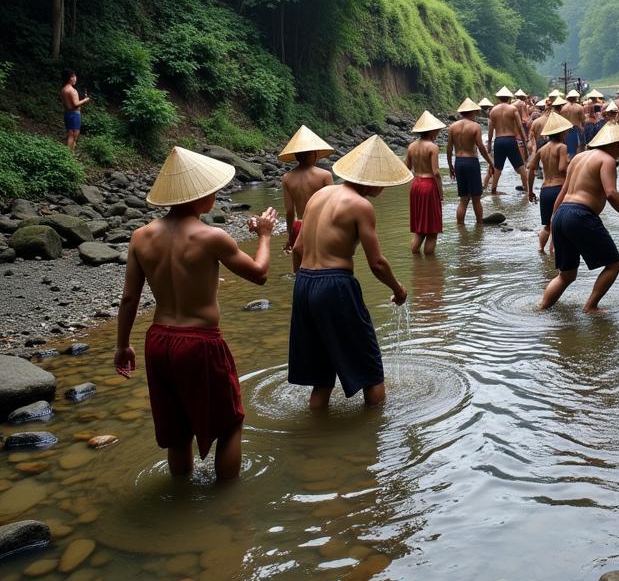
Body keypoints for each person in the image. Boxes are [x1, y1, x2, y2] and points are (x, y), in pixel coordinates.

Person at [114, 147, 277, 482]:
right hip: (199, 342)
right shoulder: (211, 236)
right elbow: (260, 274)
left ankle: (182, 498)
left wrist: (122, 345)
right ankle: (227, 502)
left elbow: (130, 298)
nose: (216, 195)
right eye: (213, 191)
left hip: (158, 341)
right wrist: (263, 236)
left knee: (177, 430)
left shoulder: (140, 237)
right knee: (230, 423)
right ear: (200, 195)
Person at [290, 135, 410, 410]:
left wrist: (305, 287)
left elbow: (297, 249)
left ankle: (313, 441)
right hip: (335, 286)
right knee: (371, 371)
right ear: (370, 180)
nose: (383, 186)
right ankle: (376, 436)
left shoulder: (319, 195)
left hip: (305, 283)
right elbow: (377, 263)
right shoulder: (360, 205)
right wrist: (398, 289)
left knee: (321, 377)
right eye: (381, 180)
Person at [538, 123, 619, 313]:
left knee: (566, 275)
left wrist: (554, 221)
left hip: (562, 213)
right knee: (614, 265)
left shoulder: (578, 158)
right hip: (581, 215)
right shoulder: (607, 160)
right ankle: (590, 306)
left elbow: (563, 192)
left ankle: (540, 309)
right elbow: (611, 193)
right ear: (616, 144)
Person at [279, 126, 335, 272]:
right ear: (315, 154)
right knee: (322, 267)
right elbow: (332, 207)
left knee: (299, 270)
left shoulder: (287, 178)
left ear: (295, 156)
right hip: (320, 226)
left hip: (299, 226)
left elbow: (290, 211)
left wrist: (290, 237)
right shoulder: (324, 175)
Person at [528, 111, 571, 253]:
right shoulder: (562, 147)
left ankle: (541, 249)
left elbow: (531, 168)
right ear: (561, 133)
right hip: (559, 188)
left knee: (547, 225)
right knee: (558, 223)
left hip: (545, 190)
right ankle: (553, 251)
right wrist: (570, 163)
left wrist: (530, 191)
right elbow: (562, 168)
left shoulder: (542, 149)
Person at [447, 99, 494, 225]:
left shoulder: (452, 127)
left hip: (458, 162)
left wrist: (450, 166)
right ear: (473, 111)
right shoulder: (475, 127)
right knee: (476, 198)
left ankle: (460, 227)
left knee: (463, 200)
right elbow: (481, 147)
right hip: (471, 162)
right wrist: (490, 162)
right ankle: (479, 225)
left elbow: (449, 148)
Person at [406, 111, 445, 255]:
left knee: (419, 229)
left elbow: (406, 169)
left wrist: (416, 180)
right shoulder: (433, 147)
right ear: (432, 130)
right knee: (432, 231)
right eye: (437, 130)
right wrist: (440, 193)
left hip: (416, 185)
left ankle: (417, 264)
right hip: (429, 186)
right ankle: (430, 266)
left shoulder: (411, 147)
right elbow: (436, 172)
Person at [488, 87, 533, 195]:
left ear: (499, 98)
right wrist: (525, 140)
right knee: (521, 166)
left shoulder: (493, 110)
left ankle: (493, 190)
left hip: (498, 140)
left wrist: (489, 143)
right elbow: (520, 127)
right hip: (510, 139)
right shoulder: (513, 109)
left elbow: (491, 128)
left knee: (498, 167)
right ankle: (527, 190)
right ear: (509, 98)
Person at [60, 69, 90, 151]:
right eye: (75, 76)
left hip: (67, 114)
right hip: (74, 115)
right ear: (71, 78)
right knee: (73, 136)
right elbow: (75, 104)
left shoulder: (63, 89)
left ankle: (70, 156)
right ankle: (68, 157)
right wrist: (85, 100)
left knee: (71, 135)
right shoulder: (72, 90)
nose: (76, 78)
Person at [562, 89, 586, 159]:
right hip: (576, 128)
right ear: (575, 97)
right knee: (578, 148)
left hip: (566, 129)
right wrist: (583, 129)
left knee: (567, 148)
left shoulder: (563, 108)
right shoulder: (579, 107)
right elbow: (583, 120)